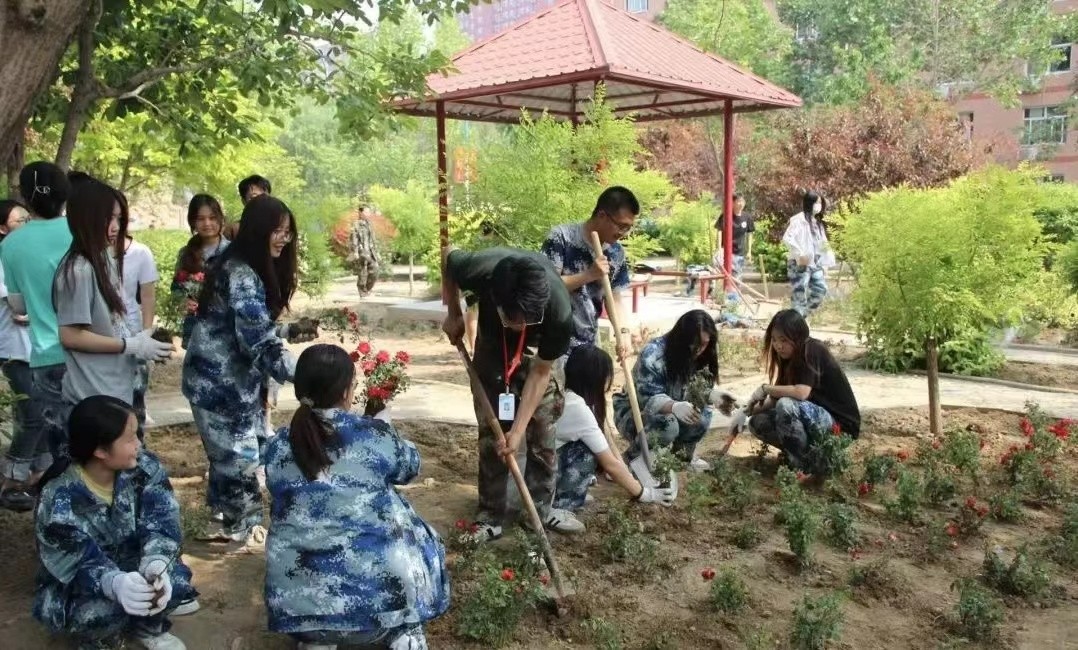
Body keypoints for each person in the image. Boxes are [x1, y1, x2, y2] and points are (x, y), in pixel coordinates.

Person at [264, 344, 448, 650]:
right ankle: (404, 634)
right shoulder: (374, 435)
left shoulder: (279, 445)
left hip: (296, 612)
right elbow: (410, 467)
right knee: (412, 526)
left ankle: (317, 641)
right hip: (374, 617)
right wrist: (385, 427)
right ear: (348, 391)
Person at [182, 194, 314, 546]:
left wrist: (288, 331)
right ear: (259, 230)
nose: (284, 239)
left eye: (288, 232)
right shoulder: (240, 273)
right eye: (279, 231)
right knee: (239, 459)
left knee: (232, 454)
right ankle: (244, 526)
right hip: (217, 384)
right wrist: (309, 375)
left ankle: (230, 519)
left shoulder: (242, 266)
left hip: (232, 382)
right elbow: (258, 342)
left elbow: (244, 326)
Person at [441, 246, 584, 539]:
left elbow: (541, 373)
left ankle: (538, 515)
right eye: (512, 319)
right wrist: (454, 312)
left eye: (527, 321)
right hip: (493, 350)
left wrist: (517, 432)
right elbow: (449, 258)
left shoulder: (558, 312)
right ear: (493, 297)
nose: (520, 327)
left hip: (539, 358)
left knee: (543, 434)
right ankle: (490, 515)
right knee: (492, 434)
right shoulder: (478, 269)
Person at [33, 395, 197, 650]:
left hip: (134, 562)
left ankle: (148, 628)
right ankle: (101, 640)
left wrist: (156, 562)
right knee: (95, 615)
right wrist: (113, 583)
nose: (139, 444)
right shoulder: (59, 498)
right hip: (82, 584)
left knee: (172, 583)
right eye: (130, 438)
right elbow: (75, 563)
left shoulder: (144, 468)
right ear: (100, 450)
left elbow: (163, 521)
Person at [53, 178, 172, 461]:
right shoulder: (78, 270)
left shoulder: (105, 259)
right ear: (86, 218)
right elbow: (70, 335)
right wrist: (128, 345)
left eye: (119, 218)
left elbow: (112, 319)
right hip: (92, 396)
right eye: (108, 218)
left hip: (116, 389)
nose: (116, 226)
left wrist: (143, 340)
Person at [1, 162, 73, 470]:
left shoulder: (11, 243)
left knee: (51, 427)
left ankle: (49, 490)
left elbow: (19, 307)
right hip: (88, 348)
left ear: (26, 199)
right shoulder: (80, 231)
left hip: (43, 353)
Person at [553, 345, 676, 515]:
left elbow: (608, 444)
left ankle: (568, 493)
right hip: (544, 477)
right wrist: (644, 493)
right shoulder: (578, 409)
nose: (609, 381)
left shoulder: (570, 397)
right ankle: (561, 505)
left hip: (545, 470)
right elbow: (609, 463)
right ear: (594, 377)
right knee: (586, 452)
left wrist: (627, 472)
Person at [613, 309, 729, 473]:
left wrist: (712, 395)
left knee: (701, 418)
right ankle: (632, 459)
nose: (698, 350)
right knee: (668, 424)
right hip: (633, 412)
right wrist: (674, 407)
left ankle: (682, 457)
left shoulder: (703, 354)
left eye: (703, 344)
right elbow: (645, 398)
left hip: (673, 405)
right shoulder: (653, 355)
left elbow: (695, 387)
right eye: (694, 343)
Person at [746, 309, 860, 474]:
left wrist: (765, 388)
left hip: (839, 427)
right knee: (758, 422)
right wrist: (747, 410)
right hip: (815, 419)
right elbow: (776, 398)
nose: (778, 346)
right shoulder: (788, 357)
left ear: (797, 336)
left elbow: (801, 393)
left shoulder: (812, 349)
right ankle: (812, 458)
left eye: (783, 340)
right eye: (774, 340)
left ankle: (802, 468)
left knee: (786, 406)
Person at [541, 186, 637, 365]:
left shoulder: (616, 252)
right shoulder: (562, 237)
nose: (624, 234)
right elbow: (546, 287)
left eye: (629, 228)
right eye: (621, 226)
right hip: (555, 344)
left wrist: (623, 332)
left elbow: (615, 298)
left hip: (589, 344)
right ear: (602, 216)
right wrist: (589, 275)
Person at [0, 199, 46, 511]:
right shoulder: (5, 258)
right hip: (14, 350)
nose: (27, 225)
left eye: (28, 219)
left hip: (36, 349)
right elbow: (20, 308)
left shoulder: (23, 255)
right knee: (32, 416)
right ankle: (12, 482)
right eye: (19, 221)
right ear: (3, 228)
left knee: (42, 414)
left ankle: (40, 475)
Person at [115, 194, 160, 430]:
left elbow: (148, 295)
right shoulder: (87, 256)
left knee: (136, 394)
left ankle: (137, 445)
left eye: (118, 217)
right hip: (104, 335)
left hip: (133, 331)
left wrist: (146, 332)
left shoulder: (140, 253)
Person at [172, 194, 230, 347]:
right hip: (195, 332)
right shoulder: (186, 253)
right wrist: (183, 301)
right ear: (193, 222)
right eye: (200, 219)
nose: (207, 223)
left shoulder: (233, 252)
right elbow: (176, 288)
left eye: (212, 217)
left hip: (226, 333)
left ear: (220, 218)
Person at [782, 190, 834, 317]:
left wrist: (826, 263)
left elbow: (822, 244)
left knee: (821, 290)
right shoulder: (798, 220)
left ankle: (801, 317)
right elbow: (787, 238)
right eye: (816, 202)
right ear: (809, 203)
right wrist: (799, 254)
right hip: (800, 263)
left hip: (815, 263)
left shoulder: (817, 223)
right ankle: (797, 322)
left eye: (820, 203)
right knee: (799, 294)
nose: (819, 206)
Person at [714, 193, 755, 303]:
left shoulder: (747, 217)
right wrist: (719, 248)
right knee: (724, 275)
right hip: (726, 251)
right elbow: (719, 231)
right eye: (738, 201)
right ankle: (721, 297)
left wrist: (749, 251)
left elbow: (750, 234)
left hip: (739, 252)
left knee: (737, 277)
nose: (741, 204)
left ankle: (734, 300)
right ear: (732, 203)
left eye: (742, 201)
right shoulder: (726, 215)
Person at [348, 205, 379, 298]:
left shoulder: (369, 224)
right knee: (363, 272)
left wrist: (377, 252)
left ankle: (367, 289)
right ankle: (362, 291)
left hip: (370, 251)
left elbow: (372, 239)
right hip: (362, 251)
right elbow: (354, 239)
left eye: (369, 212)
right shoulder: (356, 224)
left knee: (375, 270)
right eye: (366, 212)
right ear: (360, 213)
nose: (368, 214)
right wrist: (355, 252)